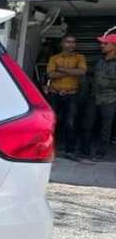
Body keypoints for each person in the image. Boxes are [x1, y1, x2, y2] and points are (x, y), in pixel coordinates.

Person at [45, 34, 87, 159]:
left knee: (71, 122)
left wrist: (61, 69)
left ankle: (69, 151)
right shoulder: (54, 58)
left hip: (71, 94)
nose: (71, 44)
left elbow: (82, 71)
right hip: (54, 93)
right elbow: (51, 74)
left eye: (73, 42)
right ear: (62, 43)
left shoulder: (80, 57)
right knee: (52, 122)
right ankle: (49, 149)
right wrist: (72, 71)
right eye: (68, 42)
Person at [81, 30, 116, 161]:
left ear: (114, 46)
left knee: (105, 128)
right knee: (87, 124)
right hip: (93, 98)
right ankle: (85, 151)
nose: (101, 46)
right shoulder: (99, 61)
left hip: (109, 99)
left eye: (105, 44)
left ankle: (101, 153)